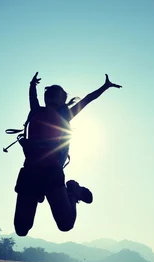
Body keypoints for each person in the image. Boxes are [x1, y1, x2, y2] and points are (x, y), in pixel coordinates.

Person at [13, 72, 121, 237]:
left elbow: (88, 99)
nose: (49, 96)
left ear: (61, 100)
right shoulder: (35, 111)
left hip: (51, 173)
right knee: (21, 230)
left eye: (54, 95)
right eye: (47, 94)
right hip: (29, 173)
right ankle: (51, 194)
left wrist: (105, 87)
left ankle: (72, 192)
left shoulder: (66, 115)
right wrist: (32, 85)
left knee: (65, 224)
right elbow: (32, 98)